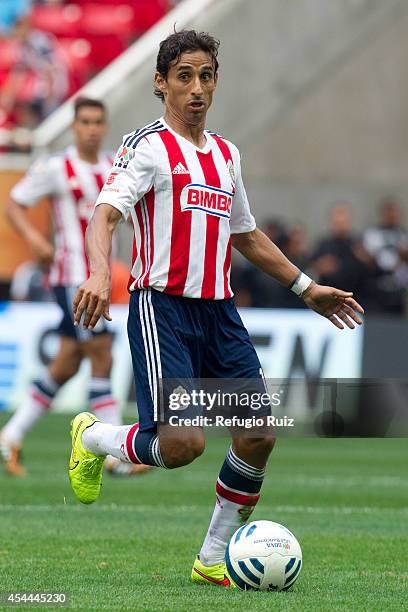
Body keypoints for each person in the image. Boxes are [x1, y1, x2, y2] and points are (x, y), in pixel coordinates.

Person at [68, 30, 364, 587]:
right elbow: (104, 214)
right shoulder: (148, 147)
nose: (197, 88)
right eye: (184, 76)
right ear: (161, 83)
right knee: (183, 446)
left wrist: (307, 287)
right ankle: (91, 436)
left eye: (206, 76)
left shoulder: (227, 154)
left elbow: (246, 236)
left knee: (257, 434)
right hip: (165, 311)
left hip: (220, 315)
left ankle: (211, 557)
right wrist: (98, 270)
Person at [0, 97, 149, 478]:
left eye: (98, 121)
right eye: (85, 121)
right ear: (74, 126)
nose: (92, 128)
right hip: (72, 279)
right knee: (102, 352)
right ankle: (116, 454)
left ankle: (9, 437)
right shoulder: (55, 167)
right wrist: (34, 240)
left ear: (105, 124)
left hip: (99, 279)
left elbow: (125, 216)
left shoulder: (113, 168)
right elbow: (14, 203)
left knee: (66, 363)